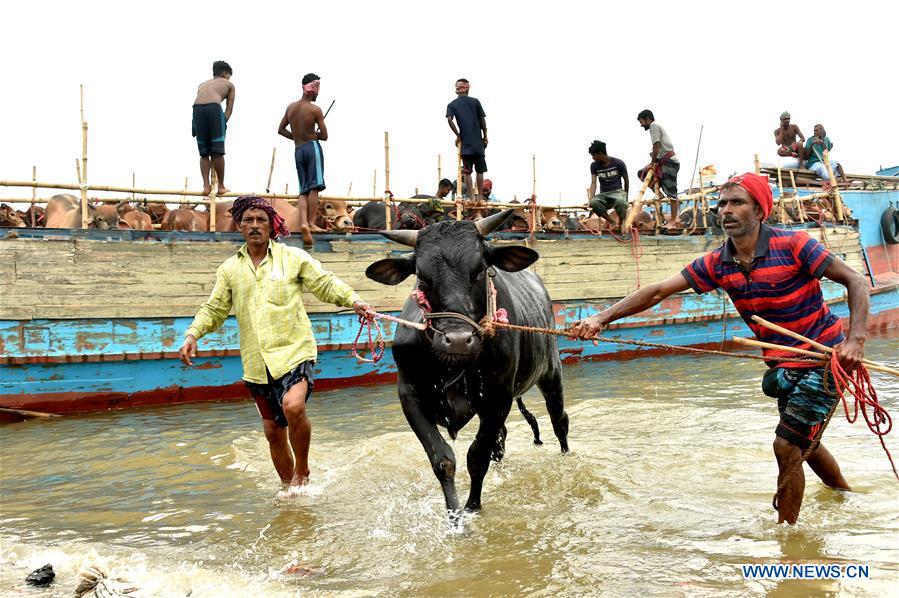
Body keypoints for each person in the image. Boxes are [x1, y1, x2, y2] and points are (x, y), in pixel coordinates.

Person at [570, 173, 869, 525]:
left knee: (787, 445)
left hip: (826, 358)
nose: (725, 210)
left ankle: (788, 541)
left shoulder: (795, 245)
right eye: (722, 203)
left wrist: (855, 341)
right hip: (782, 366)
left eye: (737, 202)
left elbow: (855, 280)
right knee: (803, 440)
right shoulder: (718, 263)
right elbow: (658, 291)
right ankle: (845, 496)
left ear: (760, 210)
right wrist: (601, 318)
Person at [179, 196, 373, 490]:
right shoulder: (229, 269)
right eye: (248, 220)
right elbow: (214, 309)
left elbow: (324, 283)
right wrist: (193, 334)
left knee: (293, 407)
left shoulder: (292, 257)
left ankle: (302, 471)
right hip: (257, 362)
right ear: (240, 226)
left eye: (261, 220)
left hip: (294, 351)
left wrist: (354, 301)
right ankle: (288, 490)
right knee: (272, 431)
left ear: (271, 226)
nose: (255, 225)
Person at [278, 73, 328, 247]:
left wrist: (298, 136)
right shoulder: (315, 110)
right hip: (312, 148)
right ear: (313, 90)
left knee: (303, 190)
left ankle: (303, 223)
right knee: (314, 187)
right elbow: (325, 136)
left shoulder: (291, 108)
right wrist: (313, 134)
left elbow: (281, 130)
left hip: (298, 149)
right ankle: (311, 223)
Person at [192, 60, 235, 196]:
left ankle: (206, 186)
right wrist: (223, 124)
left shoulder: (202, 84)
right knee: (217, 151)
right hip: (214, 109)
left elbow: (200, 102)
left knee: (204, 153)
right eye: (229, 76)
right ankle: (221, 186)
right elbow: (229, 108)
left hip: (197, 110)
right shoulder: (229, 84)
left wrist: (194, 126)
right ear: (225, 74)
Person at [637, 109, 680, 231]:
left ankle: (673, 221)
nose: (641, 125)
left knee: (671, 192)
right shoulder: (654, 127)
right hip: (662, 161)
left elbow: (656, 146)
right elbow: (658, 149)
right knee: (642, 173)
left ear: (647, 119)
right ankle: (659, 194)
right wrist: (652, 162)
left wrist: (652, 163)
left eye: (641, 122)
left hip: (669, 162)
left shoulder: (653, 126)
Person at [446, 78, 488, 199]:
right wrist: (485, 137)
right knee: (480, 170)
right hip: (478, 142)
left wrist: (458, 135)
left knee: (467, 171)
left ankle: (472, 197)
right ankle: (479, 197)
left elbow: (449, 119)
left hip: (465, 143)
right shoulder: (475, 102)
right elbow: (482, 121)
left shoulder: (452, 104)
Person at [587, 140, 629, 233]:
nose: (593, 158)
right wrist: (590, 199)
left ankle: (621, 222)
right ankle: (612, 221)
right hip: (604, 194)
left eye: (594, 155)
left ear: (600, 154)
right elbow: (593, 183)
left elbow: (626, 179)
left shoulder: (619, 163)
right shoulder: (594, 166)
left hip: (617, 192)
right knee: (594, 202)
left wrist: (626, 195)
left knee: (621, 202)